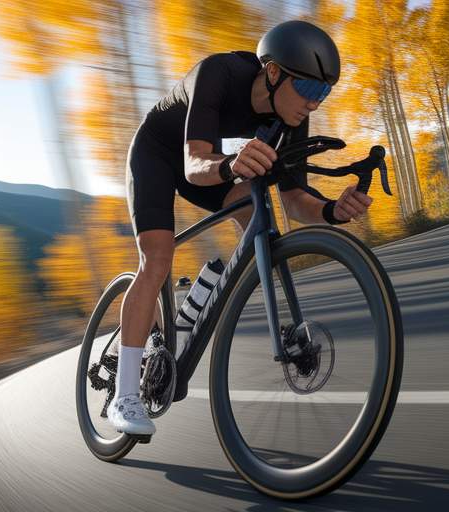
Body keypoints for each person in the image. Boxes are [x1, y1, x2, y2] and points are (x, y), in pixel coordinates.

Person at [107, 20, 373, 435]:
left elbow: (294, 198)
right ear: (273, 72)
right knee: (157, 258)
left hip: (208, 163)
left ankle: (205, 302)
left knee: (259, 213)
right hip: (159, 154)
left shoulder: (291, 116)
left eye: (323, 93)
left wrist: (333, 211)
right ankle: (125, 396)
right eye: (308, 89)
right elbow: (196, 165)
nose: (314, 104)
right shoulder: (219, 73)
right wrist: (230, 165)